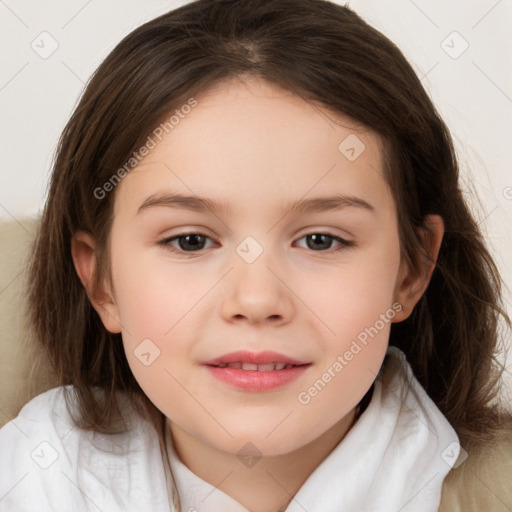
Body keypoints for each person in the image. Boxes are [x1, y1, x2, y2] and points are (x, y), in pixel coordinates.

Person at [0, 0, 511, 510]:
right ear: (101, 281)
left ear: (411, 272)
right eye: (190, 241)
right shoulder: (30, 478)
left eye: (320, 240)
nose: (257, 299)